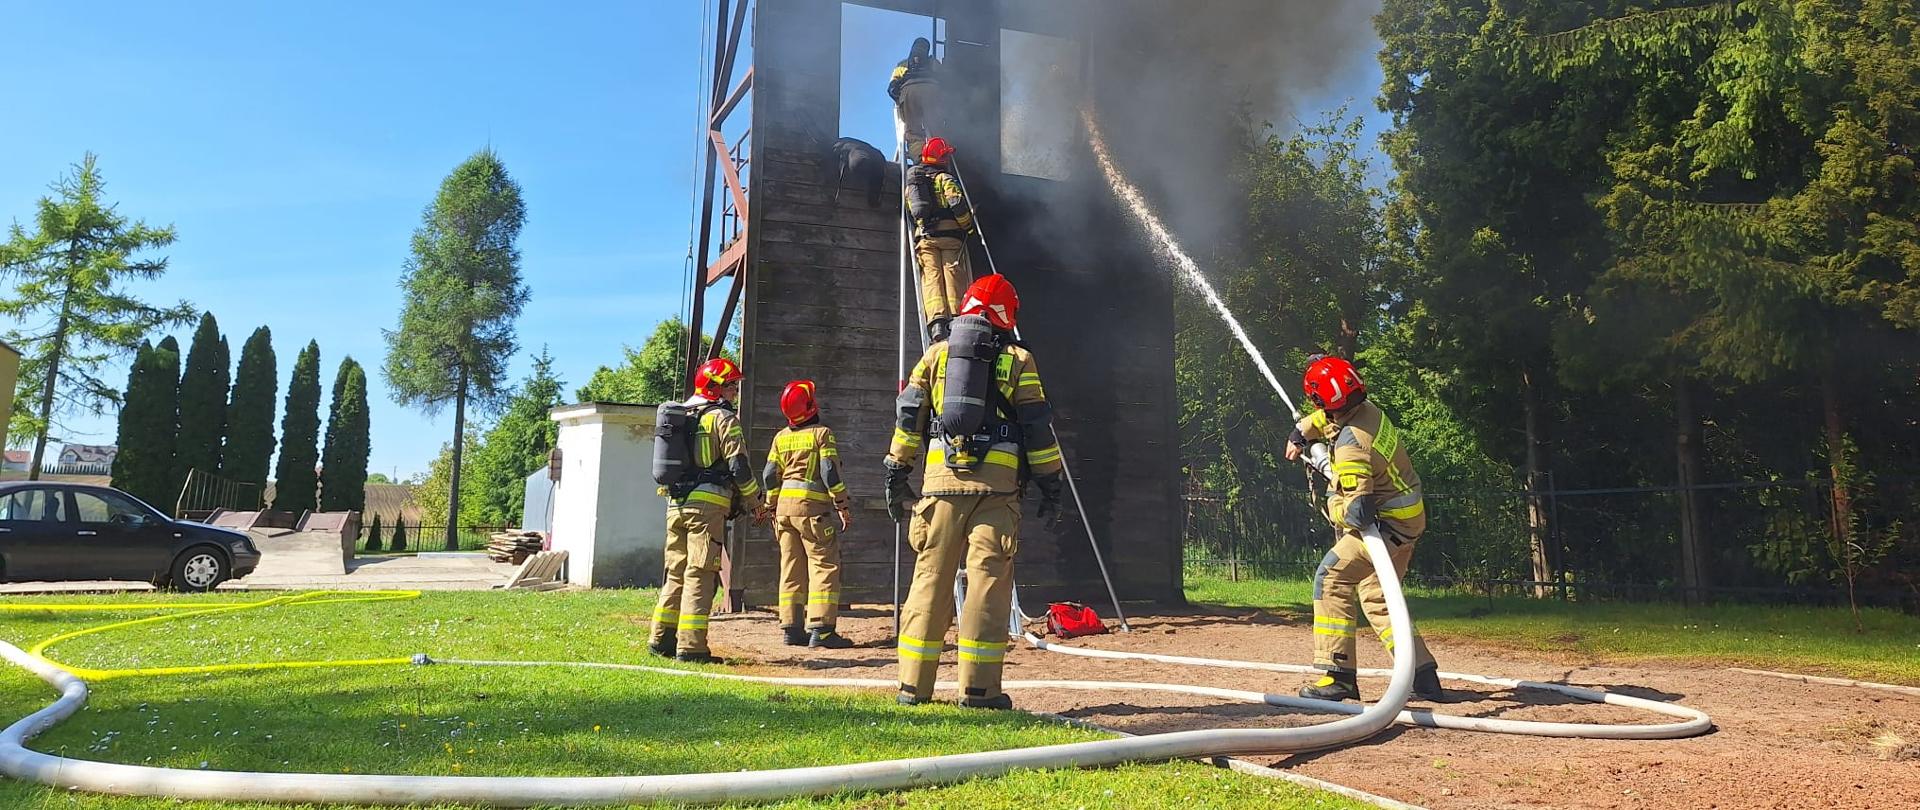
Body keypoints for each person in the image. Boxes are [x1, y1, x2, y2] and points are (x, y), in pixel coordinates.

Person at [884, 275, 1065, 710]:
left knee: (929, 579)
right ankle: (980, 692)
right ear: (1006, 314)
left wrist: (896, 472)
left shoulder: (933, 356)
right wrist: (1050, 483)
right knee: (987, 583)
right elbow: (1037, 428)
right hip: (997, 492)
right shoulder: (1019, 359)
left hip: (939, 489)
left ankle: (913, 687)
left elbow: (909, 420)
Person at [1285, 355, 1444, 702]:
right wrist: (1300, 434)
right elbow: (1329, 418)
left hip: (1384, 526)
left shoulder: (1350, 446)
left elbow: (1358, 513)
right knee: (1379, 598)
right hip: (1408, 519)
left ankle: (1338, 674)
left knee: (1331, 578)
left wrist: (1331, 498)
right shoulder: (1367, 411)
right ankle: (1422, 673)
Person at [648, 357, 770, 664]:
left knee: (675, 573)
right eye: (731, 386)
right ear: (715, 388)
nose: (734, 393)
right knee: (701, 573)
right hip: (706, 507)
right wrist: (756, 501)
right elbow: (738, 467)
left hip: (675, 504)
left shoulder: (682, 415)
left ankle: (660, 639)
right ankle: (691, 647)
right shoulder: (723, 418)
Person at [761, 379, 855, 649]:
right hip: (812, 511)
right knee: (824, 566)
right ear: (811, 406)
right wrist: (842, 504)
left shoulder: (781, 437)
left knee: (791, 568)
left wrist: (771, 504)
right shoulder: (822, 434)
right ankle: (822, 630)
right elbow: (829, 472)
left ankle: (791, 629)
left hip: (783, 513)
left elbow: (769, 475)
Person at [904, 137, 975, 341]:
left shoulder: (913, 184)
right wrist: (967, 226)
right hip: (950, 237)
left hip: (926, 238)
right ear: (942, 158)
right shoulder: (944, 179)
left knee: (931, 278)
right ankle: (955, 319)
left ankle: (936, 324)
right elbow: (957, 203)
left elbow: (911, 210)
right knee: (952, 274)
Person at [888, 37, 942, 160]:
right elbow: (945, 83)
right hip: (932, 91)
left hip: (909, 91)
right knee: (936, 130)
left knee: (914, 133)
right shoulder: (934, 63)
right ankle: (938, 159)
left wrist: (901, 102)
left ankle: (920, 159)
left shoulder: (902, 64)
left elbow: (891, 88)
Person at [824, 137, 886, 208]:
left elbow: (837, 165)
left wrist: (835, 195)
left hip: (861, 155)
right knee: (872, 168)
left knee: (860, 163)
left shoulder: (839, 145)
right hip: (877, 156)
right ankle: (873, 200)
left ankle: (873, 200)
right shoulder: (845, 143)